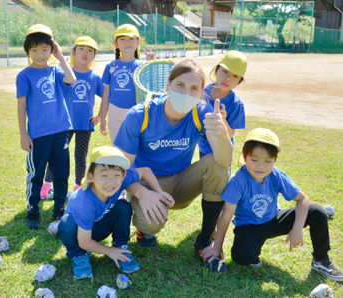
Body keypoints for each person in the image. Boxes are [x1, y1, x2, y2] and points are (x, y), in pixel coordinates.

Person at [113, 59, 233, 269]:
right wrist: (143, 193)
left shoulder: (202, 112)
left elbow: (224, 161)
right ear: (167, 85)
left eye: (194, 88)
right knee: (151, 224)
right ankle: (143, 229)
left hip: (181, 182)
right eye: (180, 85)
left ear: (201, 93)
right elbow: (120, 171)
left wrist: (222, 133)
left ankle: (205, 240)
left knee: (217, 166)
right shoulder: (140, 115)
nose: (187, 93)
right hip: (149, 185)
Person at [201, 128, 343, 281]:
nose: (261, 166)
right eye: (254, 160)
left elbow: (303, 200)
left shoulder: (275, 175)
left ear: (274, 160)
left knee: (316, 211)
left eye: (268, 161)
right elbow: (227, 214)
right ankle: (253, 253)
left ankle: (321, 260)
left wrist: (297, 227)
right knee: (242, 257)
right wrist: (217, 244)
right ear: (244, 156)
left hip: (275, 219)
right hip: (250, 226)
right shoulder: (238, 181)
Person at [57, 146, 170, 279]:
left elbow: (146, 171)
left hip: (98, 226)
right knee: (66, 225)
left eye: (116, 175)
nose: (110, 182)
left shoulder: (120, 180)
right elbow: (84, 241)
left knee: (123, 206)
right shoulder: (84, 202)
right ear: (90, 176)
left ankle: (121, 246)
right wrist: (109, 251)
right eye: (103, 175)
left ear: (123, 176)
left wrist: (159, 192)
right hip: (79, 235)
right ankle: (78, 255)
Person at [16, 24, 76, 229]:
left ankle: (60, 209)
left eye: (44, 49)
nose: (40, 54)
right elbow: (21, 105)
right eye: (34, 50)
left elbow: (72, 79)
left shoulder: (56, 71)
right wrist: (24, 134)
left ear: (52, 49)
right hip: (38, 135)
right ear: (27, 51)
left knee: (61, 173)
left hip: (60, 132)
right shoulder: (24, 75)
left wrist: (61, 58)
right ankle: (33, 210)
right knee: (36, 174)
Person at [40, 36, 104, 198]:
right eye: (81, 49)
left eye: (90, 51)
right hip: (64, 124)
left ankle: (77, 188)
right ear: (74, 52)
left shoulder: (95, 78)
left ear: (94, 56)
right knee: (57, 155)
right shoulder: (64, 73)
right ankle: (46, 186)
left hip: (84, 124)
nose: (85, 53)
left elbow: (107, 96)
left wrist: (100, 116)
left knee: (80, 157)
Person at [93, 24, 154, 143]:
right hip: (114, 111)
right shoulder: (111, 67)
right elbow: (106, 95)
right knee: (117, 146)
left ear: (138, 42)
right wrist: (103, 117)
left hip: (135, 111)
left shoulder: (142, 66)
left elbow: (151, 90)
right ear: (116, 44)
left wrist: (150, 63)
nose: (127, 42)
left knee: (135, 146)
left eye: (131, 39)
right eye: (122, 39)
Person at [198, 50, 247, 158]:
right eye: (225, 71)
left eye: (235, 76)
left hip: (223, 152)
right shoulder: (202, 92)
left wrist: (223, 120)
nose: (228, 78)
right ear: (216, 70)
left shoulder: (236, 104)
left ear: (239, 81)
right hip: (204, 148)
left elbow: (229, 135)